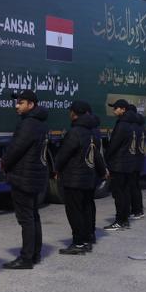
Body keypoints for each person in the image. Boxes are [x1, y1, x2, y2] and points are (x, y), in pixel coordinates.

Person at [1, 91, 48, 269]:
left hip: (24, 177)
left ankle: (26, 258)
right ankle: (35, 254)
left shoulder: (28, 124)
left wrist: (4, 163)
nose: (17, 106)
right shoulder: (39, 123)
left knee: (26, 218)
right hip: (33, 176)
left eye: (21, 103)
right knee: (33, 215)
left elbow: (16, 149)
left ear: (31, 105)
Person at [56, 101, 105, 255]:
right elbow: (96, 155)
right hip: (89, 177)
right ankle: (88, 238)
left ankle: (78, 243)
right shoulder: (92, 132)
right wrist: (102, 171)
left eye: (70, 111)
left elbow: (63, 155)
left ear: (74, 113)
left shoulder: (75, 132)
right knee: (87, 208)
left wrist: (56, 168)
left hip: (74, 179)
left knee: (75, 211)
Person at [103, 99, 138, 231]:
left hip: (119, 164)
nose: (114, 110)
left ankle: (119, 220)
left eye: (116, 108)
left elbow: (114, 145)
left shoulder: (122, 124)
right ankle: (125, 220)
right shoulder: (131, 124)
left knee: (118, 194)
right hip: (128, 163)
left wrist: (106, 159)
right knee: (125, 192)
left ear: (123, 109)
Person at [128, 104, 146, 219]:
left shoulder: (131, 127)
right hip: (140, 159)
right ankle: (138, 209)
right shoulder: (142, 127)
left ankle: (136, 211)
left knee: (132, 186)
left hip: (132, 160)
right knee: (136, 185)